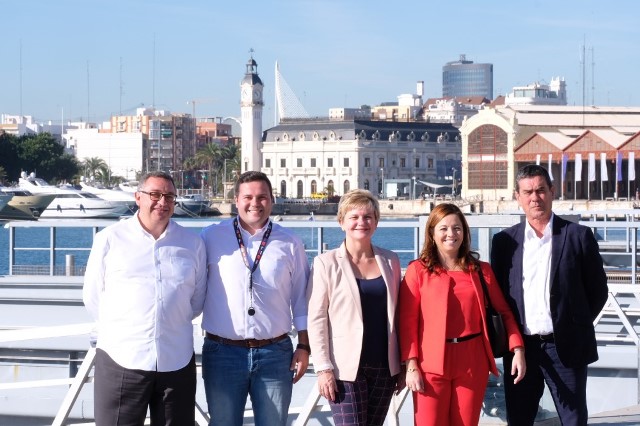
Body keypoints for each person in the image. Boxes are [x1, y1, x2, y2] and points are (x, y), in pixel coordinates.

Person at [83, 171, 207, 425]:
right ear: (138, 197)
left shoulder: (192, 244)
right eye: (155, 194)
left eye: (169, 196)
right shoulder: (109, 239)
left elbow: (196, 300)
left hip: (176, 360)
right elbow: (93, 296)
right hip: (121, 357)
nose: (162, 201)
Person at [491, 164, 608, 425]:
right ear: (518, 197)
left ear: (552, 192)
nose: (535, 197)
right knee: (519, 419)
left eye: (541, 190)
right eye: (528, 192)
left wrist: (573, 323)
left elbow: (598, 290)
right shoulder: (504, 242)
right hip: (521, 348)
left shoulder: (578, 236)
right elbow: (498, 297)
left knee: (574, 419)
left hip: (565, 347)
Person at [399, 203, 526, 426]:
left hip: (471, 362)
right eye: (444, 228)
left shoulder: (481, 270)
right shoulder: (417, 271)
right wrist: (411, 366)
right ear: (432, 233)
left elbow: (504, 312)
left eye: (457, 228)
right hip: (430, 364)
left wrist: (517, 348)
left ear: (465, 233)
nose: (451, 234)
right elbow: (407, 322)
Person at [200, 170, 310, 426]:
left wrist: (304, 346)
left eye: (262, 197)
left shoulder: (290, 242)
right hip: (222, 352)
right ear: (236, 200)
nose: (255, 203)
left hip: (275, 353)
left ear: (272, 200)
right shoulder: (210, 237)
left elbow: (301, 299)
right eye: (248, 197)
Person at [306, 189, 404, 426]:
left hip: (384, 367)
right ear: (342, 222)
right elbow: (316, 319)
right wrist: (323, 369)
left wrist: (402, 365)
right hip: (345, 370)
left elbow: (400, 315)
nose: (362, 222)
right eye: (354, 217)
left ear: (376, 222)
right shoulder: (325, 263)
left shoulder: (391, 261)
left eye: (368, 217)